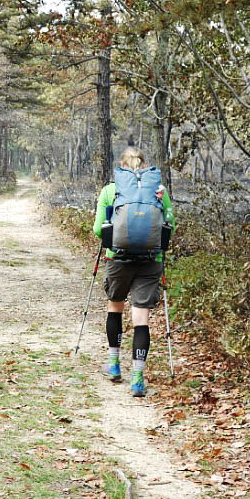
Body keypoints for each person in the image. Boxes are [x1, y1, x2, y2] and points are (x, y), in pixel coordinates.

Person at [92, 147, 175, 397]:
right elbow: (169, 226)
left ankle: (114, 364)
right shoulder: (160, 191)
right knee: (141, 319)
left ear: (122, 166)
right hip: (150, 261)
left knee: (115, 306)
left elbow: (98, 229)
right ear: (144, 165)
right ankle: (137, 377)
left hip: (118, 259)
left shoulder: (110, 190)